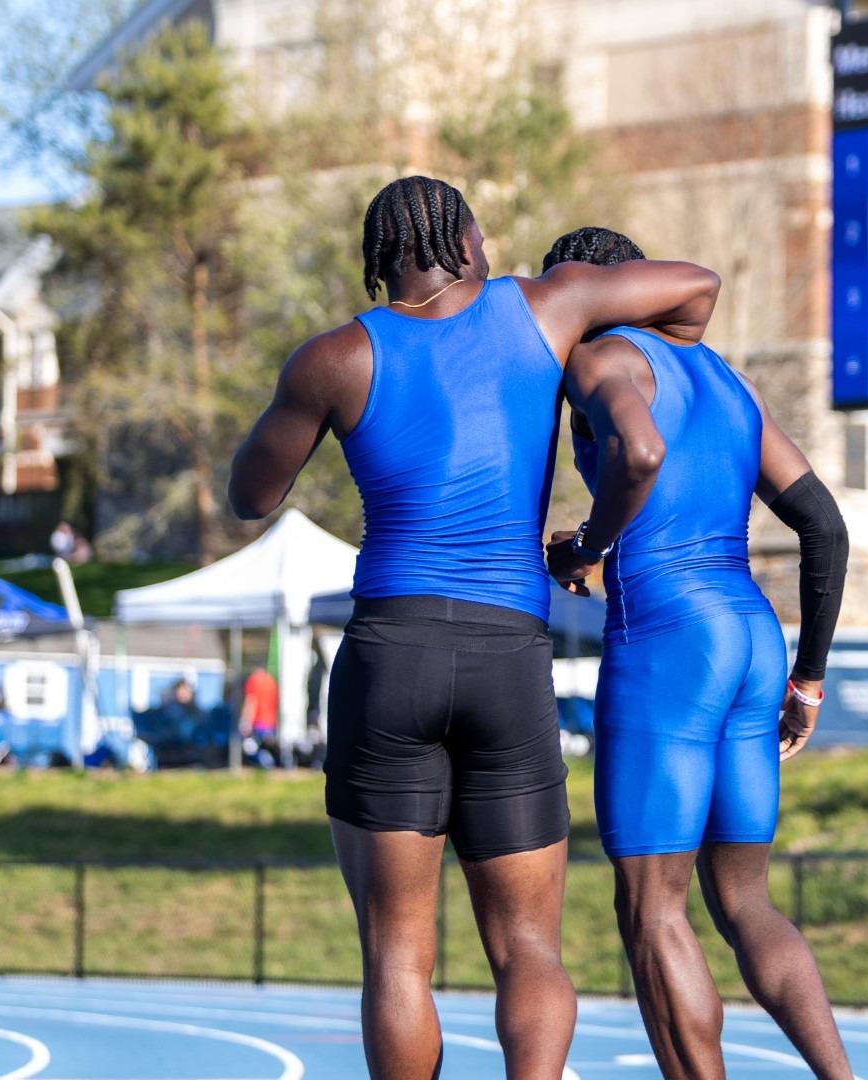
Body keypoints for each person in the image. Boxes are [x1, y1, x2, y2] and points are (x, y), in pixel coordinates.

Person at [226, 177, 720, 1080]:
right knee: (530, 948)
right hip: (509, 652)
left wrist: (305, 410)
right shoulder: (546, 307)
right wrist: (615, 355)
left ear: (385, 257)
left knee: (397, 957)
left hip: (390, 653)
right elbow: (697, 285)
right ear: (464, 240)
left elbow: (249, 498)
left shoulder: (334, 359)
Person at [541, 227, 853, 1080]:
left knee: (652, 910)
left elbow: (641, 453)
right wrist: (810, 679)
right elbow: (824, 524)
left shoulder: (601, 357)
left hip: (671, 636)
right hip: (753, 635)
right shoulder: (725, 379)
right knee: (745, 900)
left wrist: (585, 550)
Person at [240, 664, 280, 768]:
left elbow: (251, 701)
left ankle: (265, 763)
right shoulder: (271, 681)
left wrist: (246, 720)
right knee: (266, 746)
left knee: (251, 747)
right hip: (271, 722)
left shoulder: (254, 680)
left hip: (258, 722)